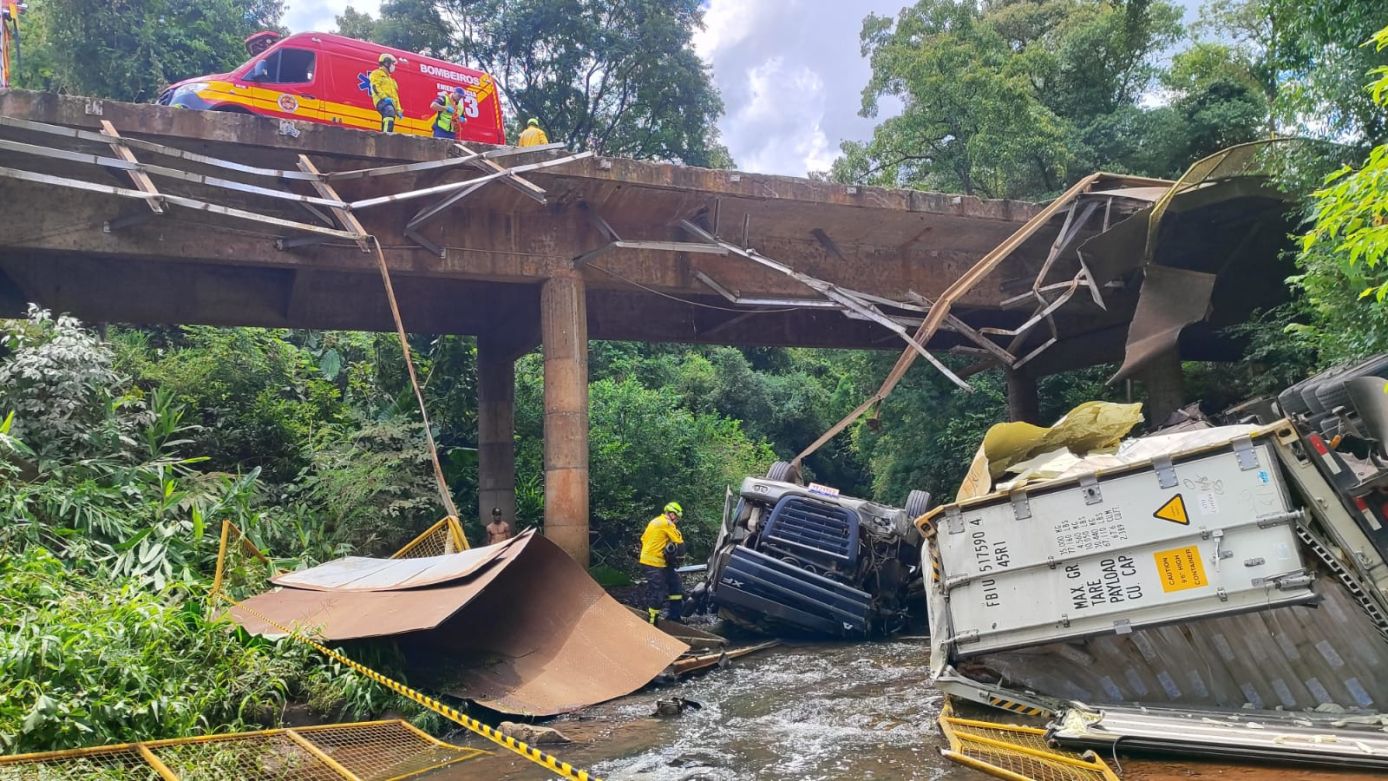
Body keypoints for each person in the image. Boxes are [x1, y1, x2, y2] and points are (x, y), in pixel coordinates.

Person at [638, 501, 686, 624]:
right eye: (677, 517)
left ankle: (674, 616)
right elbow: (679, 544)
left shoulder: (655, 521)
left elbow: (643, 539)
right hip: (654, 563)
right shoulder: (667, 523)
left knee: (675, 584)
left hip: (657, 561)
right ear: (671, 514)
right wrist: (678, 556)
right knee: (658, 592)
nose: (677, 520)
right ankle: (652, 622)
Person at [369, 53, 401, 133]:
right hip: (381, 101)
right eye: (393, 64)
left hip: (390, 103)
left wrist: (398, 109)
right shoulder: (376, 73)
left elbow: (396, 97)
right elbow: (375, 87)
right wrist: (384, 98)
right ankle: (386, 136)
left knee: (390, 116)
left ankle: (385, 133)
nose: (394, 66)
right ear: (387, 63)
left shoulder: (391, 80)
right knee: (389, 111)